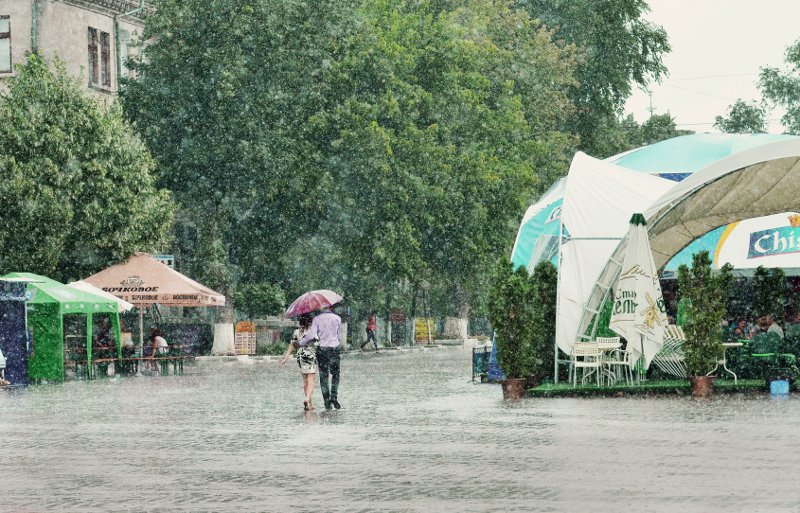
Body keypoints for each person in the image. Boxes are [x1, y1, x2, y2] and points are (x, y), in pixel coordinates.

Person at [297, 307, 342, 410]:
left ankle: (327, 401)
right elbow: (338, 336)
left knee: (324, 376)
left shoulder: (317, 319)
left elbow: (311, 335)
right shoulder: (337, 318)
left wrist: (300, 343)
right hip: (334, 349)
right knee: (335, 375)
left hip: (322, 350)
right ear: (330, 307)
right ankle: (334, 397)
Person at [280, 314, 318, 411]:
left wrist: (286, 358)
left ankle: (309, 404)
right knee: (311, 381)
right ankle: (307, 399)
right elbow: (317, 344)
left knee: (305, 381)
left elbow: (292, 345)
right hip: (310, 356)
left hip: (300, 357)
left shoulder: (297, 331)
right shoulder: (312, 331)